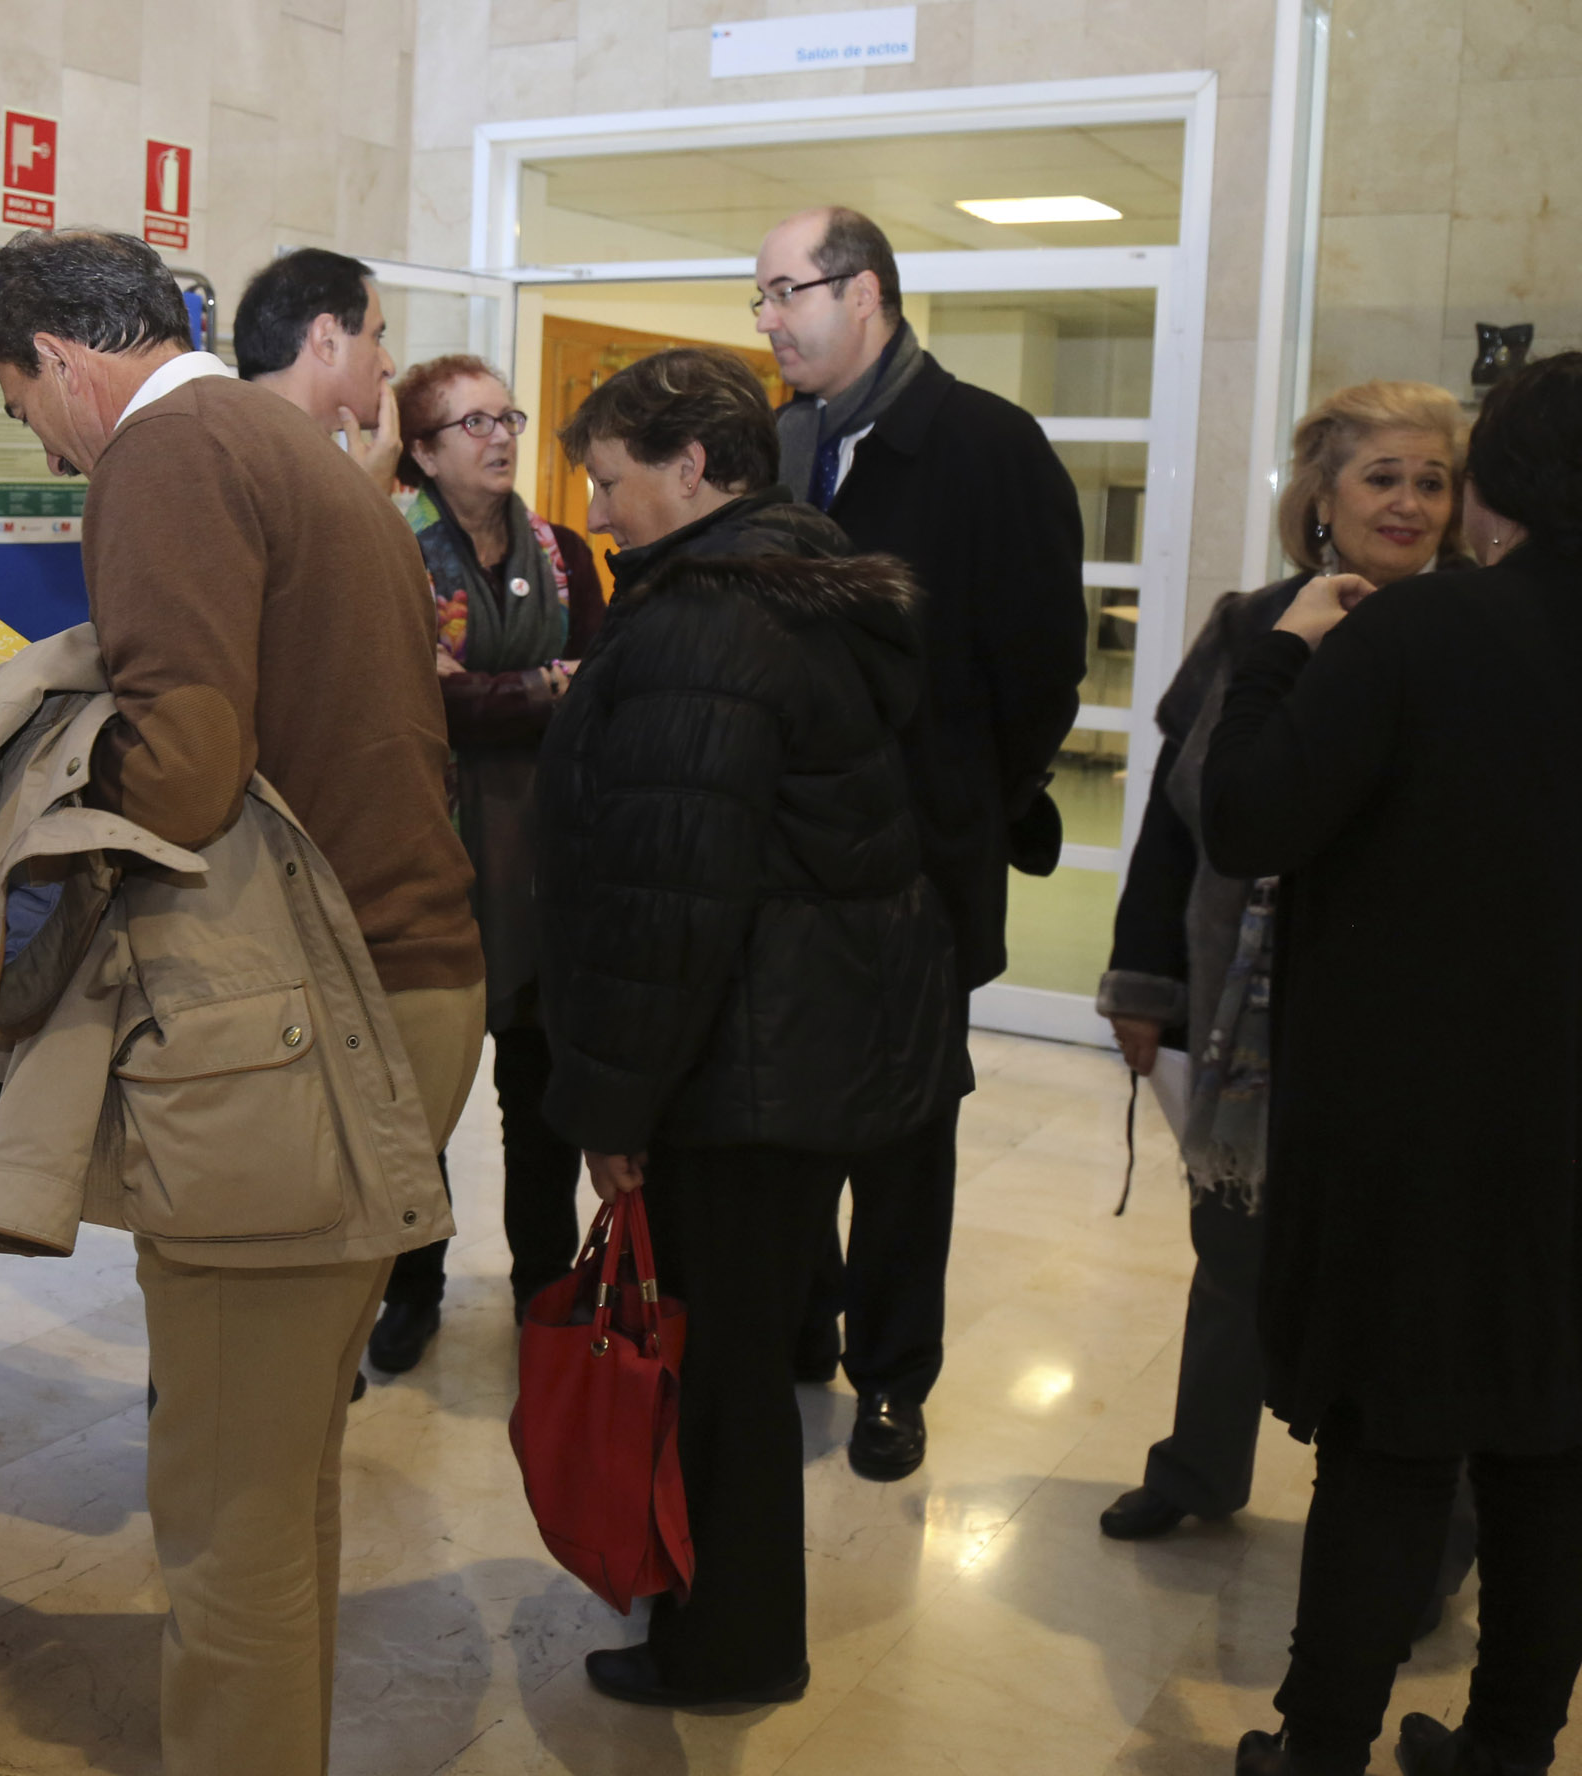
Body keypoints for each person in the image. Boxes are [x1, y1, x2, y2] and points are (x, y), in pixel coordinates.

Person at [0, 228, 483, 1774]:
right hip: (393, 990)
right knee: (283, 1461)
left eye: (24, 408)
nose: (40, 444)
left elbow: (186, 766)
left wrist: (39, 787)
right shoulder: (288, 441)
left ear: (60, 361)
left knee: (226, 1510)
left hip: (307, 1019)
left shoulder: (167, 453)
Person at [536, 346, 958, 1711]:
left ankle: (725, 1648)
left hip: (741, 1068)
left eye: (609, 482)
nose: (593, 513)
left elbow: (669, 908)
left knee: (719, 1380)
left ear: (696, 469)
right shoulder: (799, 586)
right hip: (805, 1050)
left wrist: (609, 1114)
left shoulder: (702, 630)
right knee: (745, 1366)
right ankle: (732, 1627)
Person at [1208, 353, 1582, 1776]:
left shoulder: (1420, 636)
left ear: (1500, 486)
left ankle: (1322, 1753)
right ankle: (1507, 1748)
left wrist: (1276, 656)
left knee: (1391, 1445)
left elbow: (1249, 815)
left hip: (1421, 1118)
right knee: (1555, 1446)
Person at [1096, 382, 1467, 1544]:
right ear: (1322, 499)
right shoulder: (1252, 624)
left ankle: (1429, 1538)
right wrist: (1143, 983)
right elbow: (1174, 816)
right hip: (1244, 1005)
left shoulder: (1474, 631)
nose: (1407, 503)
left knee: (1408, 1283)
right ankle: (1200, 1469)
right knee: (1236, 1246)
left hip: (1404, 1013)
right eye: (1382, 478)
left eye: (1432, 481)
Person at [753, 205, 1088, 1481]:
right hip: (785, 864)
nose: (773, 321)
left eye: (788, 292)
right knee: (786, 1108)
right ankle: (805, 1323)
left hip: (916, 871)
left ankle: (896, 1379)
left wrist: (961, 807)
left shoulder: (987, 447)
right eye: (765, 300)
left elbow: (1040, 669)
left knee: (903, 1140)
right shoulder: (778, 444)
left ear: (868, 292)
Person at [367, 354, 606, 1376]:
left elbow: (599, 681)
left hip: (547, 861)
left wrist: (506, 690)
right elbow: (420, 699)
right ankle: (411, 1286)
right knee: (420, 1099)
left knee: (541, 1097)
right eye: (470, 423)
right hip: (437, 855)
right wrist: (539, 689)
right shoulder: (394, 555)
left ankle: (544, 1286)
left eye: (506, 416)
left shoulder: (561, 553)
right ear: (420, 452)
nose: (500, 436)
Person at [232, 246, 402, 497]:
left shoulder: (260, 453)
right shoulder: (249, 475)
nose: (389, 367)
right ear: (327, 342)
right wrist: (370, 497)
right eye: (376, 337)